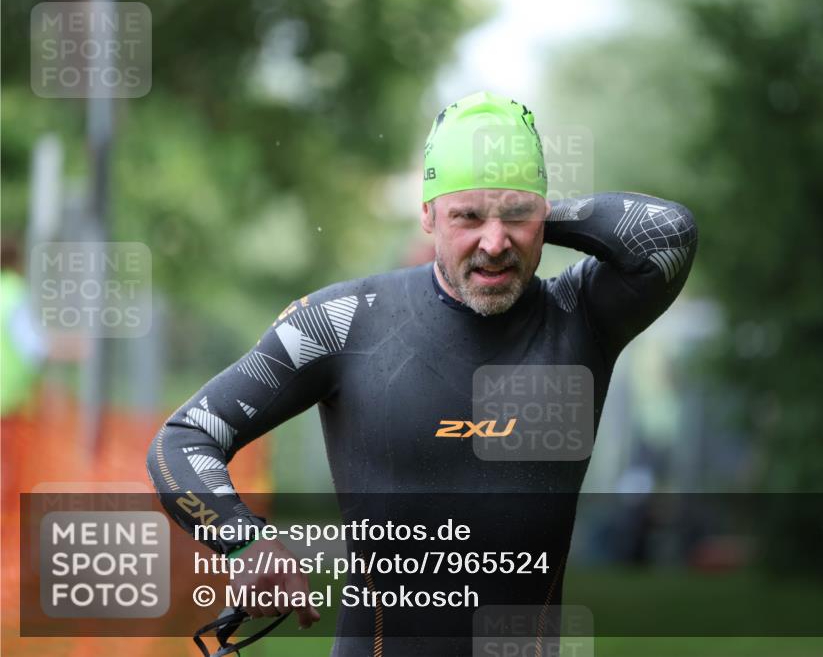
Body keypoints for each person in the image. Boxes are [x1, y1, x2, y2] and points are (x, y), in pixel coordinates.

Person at [148, 91, 697, 656]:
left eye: (516, 216)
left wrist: (514, 202)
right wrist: (247, 543)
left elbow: (667, 230)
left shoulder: (579, 316)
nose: (493, 242)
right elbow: (184, 439)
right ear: (428, 214)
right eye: (466, 216)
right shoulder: (342, 323)